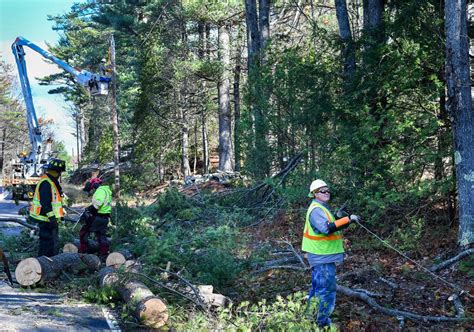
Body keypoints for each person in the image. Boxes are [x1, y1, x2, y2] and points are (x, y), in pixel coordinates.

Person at [302, 179, 360, 328]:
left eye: (327, 190)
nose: (326, 193)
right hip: (322, 258)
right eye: (322, 191)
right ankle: (321, 324)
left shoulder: (322, 207)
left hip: (322, 257)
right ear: (315, 194)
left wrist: (345, 221)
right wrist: (348, 219)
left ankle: (310, 318)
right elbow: (327, 228)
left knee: (317, 289)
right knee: (325, 291)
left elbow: (334, 224)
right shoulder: (316, 210)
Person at [29, 158, 66, 257]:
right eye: (60, 173)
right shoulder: (46, 183)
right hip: (46, 219)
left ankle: (50, 263)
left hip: (48, 219)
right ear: (57, 172)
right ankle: (44, 264)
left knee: (51, 244)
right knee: (47, 244)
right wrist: (52, 218)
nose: (60, 175)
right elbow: (45, 203)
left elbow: (55, 201)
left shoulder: (50, 181)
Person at [80, 177, 113, 257]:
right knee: (101, 235)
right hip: (105, 217)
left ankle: (83, 252)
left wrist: (90, 210)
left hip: (98, 217)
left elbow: (97, 204)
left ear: (94, 185)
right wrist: (90, 208)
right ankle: (104, 253)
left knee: (83, 232)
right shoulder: (106, 190)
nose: (92, 190)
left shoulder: (100, 191)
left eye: (92, 188)